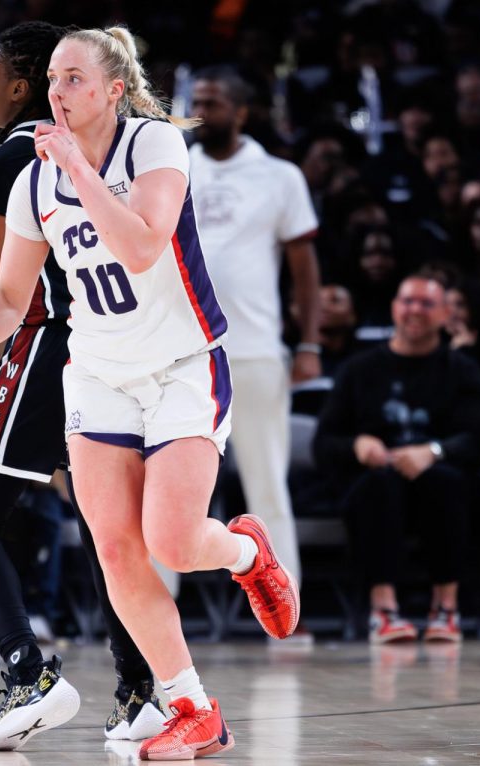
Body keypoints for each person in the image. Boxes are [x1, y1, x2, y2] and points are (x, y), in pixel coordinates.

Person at [0, 26, 299, 760]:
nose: (57, 92)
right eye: (50, 80)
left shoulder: (154, 145)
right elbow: (12, 297)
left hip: (181, 364)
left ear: (113, 89)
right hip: (99, 374)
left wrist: (76, 165)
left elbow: (142, 246)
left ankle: (244, 554)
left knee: (172, 538)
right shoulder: (35, 180)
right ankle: (193, 708)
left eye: (73, 78)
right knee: (115, 549)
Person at [0, 22, 165, 751]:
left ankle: (28, 675)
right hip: (110, 345)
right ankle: (140, 693)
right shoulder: (105, 143)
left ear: (22, 83)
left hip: (47, 344)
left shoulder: (11, 161)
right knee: (106, 529)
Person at [187, 66, 321, 638]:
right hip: (184, 353)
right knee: (177, 490)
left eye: (213, 100)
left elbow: (304, 268)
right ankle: (156, 621)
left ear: (242, 112)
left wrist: (309, 342)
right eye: (195, 101)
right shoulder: (173, 166)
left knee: (268, 484)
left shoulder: (280, 175)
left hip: (256, 350)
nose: (201, 110)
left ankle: (287, 610)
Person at [314, 275, 480, 644]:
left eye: (426, 303)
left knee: (447, 482)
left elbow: (477, 441)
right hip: (376, 484)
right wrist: (357, 445)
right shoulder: (359, 370)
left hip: (439, 482)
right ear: (394, 308)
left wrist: (433, 452)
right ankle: (384, 610)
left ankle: (446, 608)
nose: (415, 310)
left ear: (444, 314)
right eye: (408, 301)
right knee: (377, 487)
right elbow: (324, 443)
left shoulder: (463, 370)